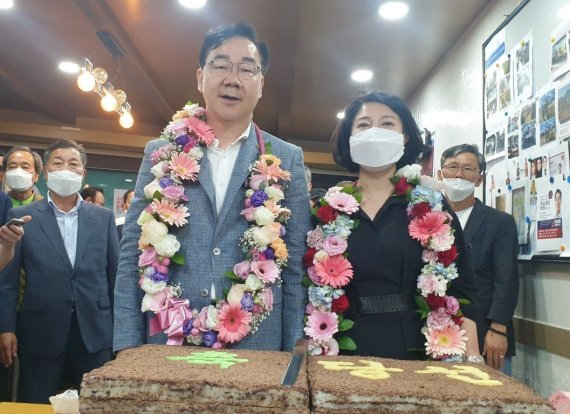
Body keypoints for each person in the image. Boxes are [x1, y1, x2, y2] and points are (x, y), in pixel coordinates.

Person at [113, 22, 311, 354]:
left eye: (247, 69)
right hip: (167, 340)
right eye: (220, 65)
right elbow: (133, 253)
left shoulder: (285, 158)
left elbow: (293, 270)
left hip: (257, 348)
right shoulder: (162, 153)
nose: (233, 78)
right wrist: (127, 345)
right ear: (200, 76)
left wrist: (293, 352)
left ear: (261, 84)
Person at [328, 91, 482, 360]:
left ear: (405, 137)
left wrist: (472, 360)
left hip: (420, 346)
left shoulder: (434, 207)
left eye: (387, 124)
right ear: (350, 138)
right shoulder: (328, 211)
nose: (374, 131)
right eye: (363, 125)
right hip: (341, 345)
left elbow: (462, 291)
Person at [0, 139, 119, 403]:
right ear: (45, 173)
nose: (65, 169)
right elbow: (8, 280)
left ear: (83, 174)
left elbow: (115, 279)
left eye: (73, 164)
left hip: (95, 332)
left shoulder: (103, 218)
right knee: (38, 402)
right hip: (40, 331)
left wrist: (119, 333)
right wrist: (5, 327)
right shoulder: (23, 215)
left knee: (94, 404)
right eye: (58, 163)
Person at [438, 144, 519, 374]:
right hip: (436, 333)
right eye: (452, 167)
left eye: (468, 168)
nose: (459, 175)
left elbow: (506, 278)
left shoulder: (499, 223)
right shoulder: (425, 218)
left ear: (480, 179)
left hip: (486, 333)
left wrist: (498, 329)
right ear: (439, 174)